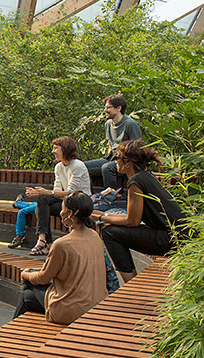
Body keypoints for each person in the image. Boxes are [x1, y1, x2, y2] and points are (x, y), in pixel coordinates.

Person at [91, 139, 189, 283]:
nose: (115, 161)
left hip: (172, 240)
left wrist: (101, 217)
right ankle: (131, 279)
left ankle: (130, 282)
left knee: (110, 233)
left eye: (117, 157)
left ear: (128, 162)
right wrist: (102, 215)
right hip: (179, 236)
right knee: (112, 229)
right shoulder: (145, 176)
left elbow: (132, 221)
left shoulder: (136, 182)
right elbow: (132, 218)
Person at [14, 191, 107, 324]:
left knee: (27, 292)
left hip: (72, 310)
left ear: (70, 214)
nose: (60, 213)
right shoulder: (95, 236)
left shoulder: (61, 244)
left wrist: (25, 274)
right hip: (96, 305)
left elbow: (43, 278)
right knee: (29, 294)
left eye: (62, 210)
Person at [24, 136, 91, 256]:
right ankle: (44, 240)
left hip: (80, 204)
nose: (53, 151)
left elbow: (71, 192)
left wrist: (45, 192)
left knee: (43, 199)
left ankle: (46, 243)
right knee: (42, 201)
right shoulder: (58, 167)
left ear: (65, 149)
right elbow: (57, 191)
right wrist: (39, 192)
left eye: (55, 148)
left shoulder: (77, 165)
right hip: (67, 201)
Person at [83, 95, 142, 191]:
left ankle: (112, 196)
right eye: (105, 107)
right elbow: (110, 144)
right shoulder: (108, 124)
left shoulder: (130, 124)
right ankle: (91, 196)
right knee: (82, 166)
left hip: (126, 160)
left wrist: (126, 161)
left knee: (107, 168)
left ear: (119, 108)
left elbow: (138, 147)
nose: (105, 110)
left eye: (108, 107)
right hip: (112, 157)